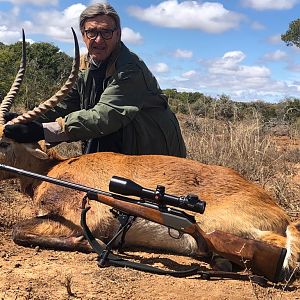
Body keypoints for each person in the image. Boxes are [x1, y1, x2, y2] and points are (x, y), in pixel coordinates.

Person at [4, 3, 186, 157]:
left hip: (153, 152)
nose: (98, 40)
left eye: (106, 32)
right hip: (116, 142)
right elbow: (65, 105)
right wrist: (22, 119)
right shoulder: (85, 64)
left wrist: (44, 130)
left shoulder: (130, 69)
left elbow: (107, 115)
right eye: (91, 32)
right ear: (83, 35)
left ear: (118, 34)